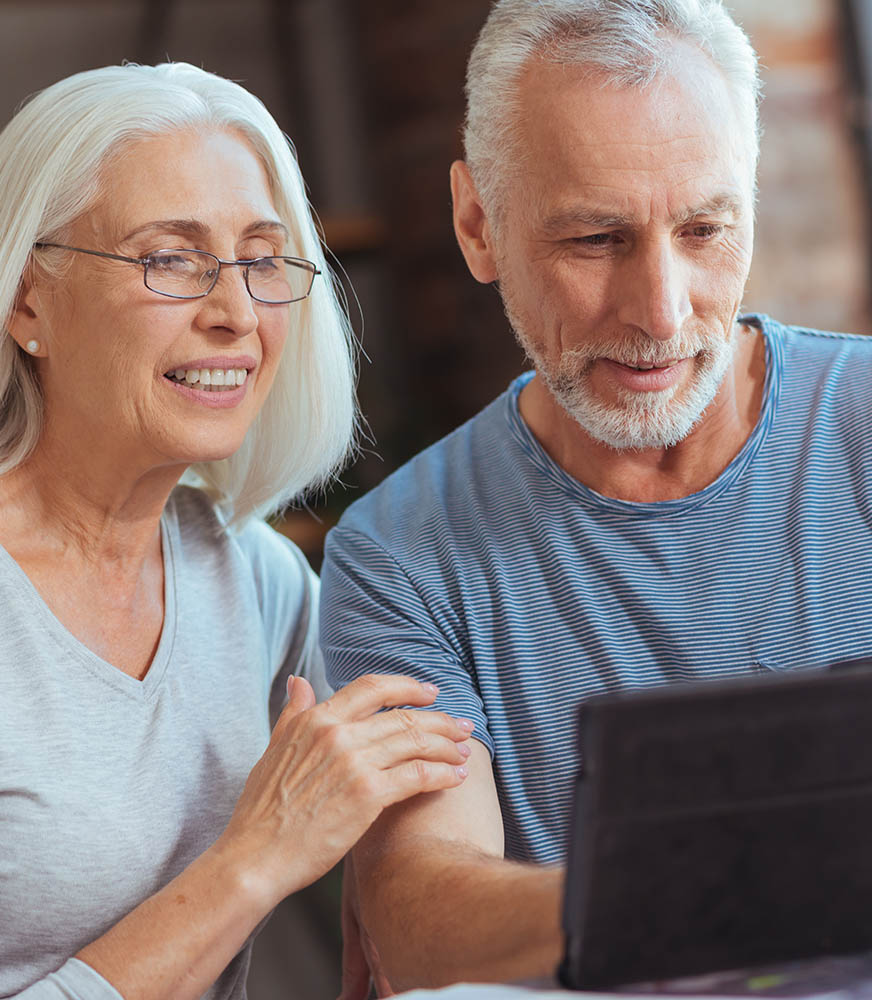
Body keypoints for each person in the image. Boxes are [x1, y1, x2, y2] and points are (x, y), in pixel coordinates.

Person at [0, 63, 477, 1000]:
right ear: (27, 301)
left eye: (264, 259)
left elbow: (435, 760)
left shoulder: (258, 580)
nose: (235, 312)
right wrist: (255, 860)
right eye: (170, 258)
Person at [320, 0, 872, 993]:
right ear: (476, 223)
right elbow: (420, 921)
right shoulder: (403, 552)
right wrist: (767, 868)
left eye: (704, 228)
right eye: (593, 239)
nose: (660, 311)